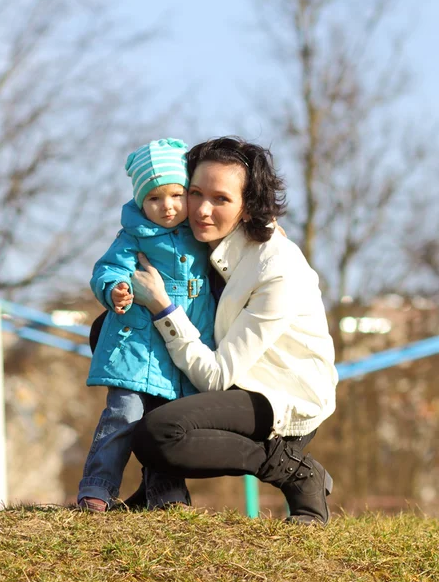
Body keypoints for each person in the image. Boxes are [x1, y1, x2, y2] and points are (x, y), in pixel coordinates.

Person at [129, 136, 338, 524]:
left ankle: (295, 471)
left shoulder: (278, 269)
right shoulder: (197, 239)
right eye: (195, 193)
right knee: (112, 332)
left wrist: (161, 306)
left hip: (278, 396)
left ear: (247, 207)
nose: (202, 210)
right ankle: (162, 491)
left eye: (221, 199)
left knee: (158, 433)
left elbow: (217, 376)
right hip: (228, 375)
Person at [78, 138, 216, 512]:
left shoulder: (201, 234)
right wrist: (115, 290)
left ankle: (167, 496)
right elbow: (106, 270)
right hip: (136, 349)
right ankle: (97, 489)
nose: (167, 206)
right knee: (123, 416)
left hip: (180, 353)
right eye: (154, 198)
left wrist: (268, 229)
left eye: (176, 194)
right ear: (141, 201)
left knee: (166, 427)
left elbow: (240, 240)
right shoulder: (132, 237)